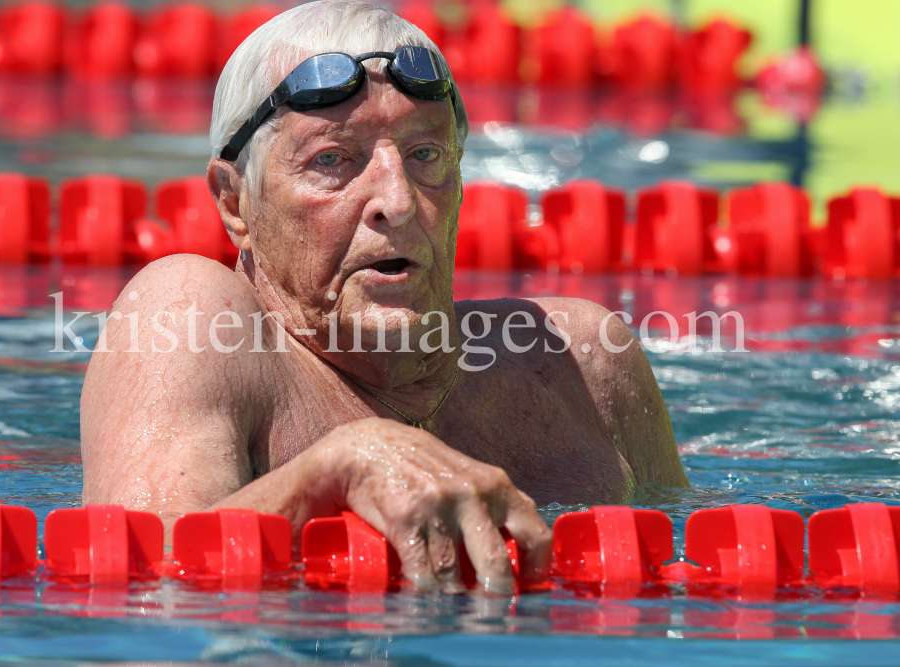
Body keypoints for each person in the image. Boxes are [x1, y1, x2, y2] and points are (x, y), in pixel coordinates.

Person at [80, 0, 689, 593]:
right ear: (236, 203)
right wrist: (333, 469)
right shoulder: (188, 318)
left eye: (426, 154)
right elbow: (140, 579)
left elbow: (689, 574)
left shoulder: (577, 361)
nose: (397, 202)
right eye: (333, 159)